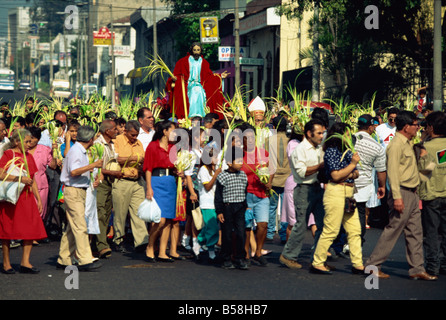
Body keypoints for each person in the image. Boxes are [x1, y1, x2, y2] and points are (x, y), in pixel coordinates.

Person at [365, 111, 437, 280]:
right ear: (406, 127)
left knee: (415, 232)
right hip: (402, 193)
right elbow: (393, 173)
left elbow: (419, 173)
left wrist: (429, 161)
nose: (418, 127)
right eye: (415, 124)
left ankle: (417, 268)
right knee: (393, 231)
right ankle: (373, 265)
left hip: (412, 193)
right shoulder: (396, 145)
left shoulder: (410, 144)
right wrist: (396, 197)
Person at [311, 122, 365, 275]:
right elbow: (336, 176)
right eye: (348, 134)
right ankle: (318, 262)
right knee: (331, 230)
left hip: (348, 192)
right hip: (336, 192)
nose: (350, 137)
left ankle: (358, 263)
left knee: (354, 230)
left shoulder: (347, 151)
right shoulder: (332, 151)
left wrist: (348, 171)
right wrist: (352, 166)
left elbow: (356, 174)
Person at [279, 119, 326, 269]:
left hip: (317, 188)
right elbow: (302, 172)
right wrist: (320, 166)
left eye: (323, 133)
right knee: (300, 225)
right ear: (309, 133)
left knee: (322, 225)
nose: (321, 136)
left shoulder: (319, 148)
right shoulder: (300, 150)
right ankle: (288, 256)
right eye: (319, 133)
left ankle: (318, 259)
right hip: (304, 190)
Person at [0, 129, 47, 274]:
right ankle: (6, 263)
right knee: (7, 229)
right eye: (26, 141)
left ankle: (25, 262)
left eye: (30, 141)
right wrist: (19, 179)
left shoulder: (28, 156)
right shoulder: (9, 154)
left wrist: (38, 199)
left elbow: (32, 179)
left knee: (31, 228)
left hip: (26, 196)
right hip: (11, 197)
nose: (29, 144)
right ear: (16, 142)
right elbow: (1, 174)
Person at [56, 126, 103, 271]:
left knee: (72, 226)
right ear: (89, 139)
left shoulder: (79, 150)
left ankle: (64, 258)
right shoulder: (76, 151)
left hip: (78, 190)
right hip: (74, 191)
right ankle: (85, 259)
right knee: (80, 225)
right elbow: (74, 171)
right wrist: (93, 165)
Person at [144, 120, 182, 262]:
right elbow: (148, 168)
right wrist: (149, 187)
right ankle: (150, 245)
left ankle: (162, 251)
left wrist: (179, 171)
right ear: (165, 131)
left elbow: (175, 165)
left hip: (170, 182)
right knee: (159, 219)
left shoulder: (173, 147)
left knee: (167, 220)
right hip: (156, 181)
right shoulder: (153, 146)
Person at [112, 120, 148, 253]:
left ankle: (142, 241)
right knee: (120, 213)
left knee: (139, 212)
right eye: (132, 135)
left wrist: (136, 160)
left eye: (136, 135)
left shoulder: (138, 143)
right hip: (122, 180)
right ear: (125, 131)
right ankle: (118, 239)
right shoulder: (118, 141)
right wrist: (135, 158)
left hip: (137, 181)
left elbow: (142, 158)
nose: (135, 138)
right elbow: (117, 159)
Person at [417, 111, 446, 276]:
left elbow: (424, 174)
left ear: (431, 127)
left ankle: (433, 266)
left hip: (432, 195)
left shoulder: (426, 148)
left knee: (432, 232)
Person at [168, 42, 228, 119]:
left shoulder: (204, 62)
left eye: (198, 50)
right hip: (188, 84)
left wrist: (220, 76)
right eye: (195, 50)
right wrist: (175, 78)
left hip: (200, 84)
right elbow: (178, 74)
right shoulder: (183, 61)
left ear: (201, 51)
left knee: (200, 91)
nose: (196, 52)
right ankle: (191, 115)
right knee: (194, 91)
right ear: (191, 50)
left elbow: (208, 76)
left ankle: (200, 114)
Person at [353, 114, 387, 245]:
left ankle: (343, 242)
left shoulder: (349, 140)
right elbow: (381, 170)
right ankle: (357, 241)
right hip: (364, 185)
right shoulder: (377, 146)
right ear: (370, 127)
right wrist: (382, 186)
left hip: (346, 182)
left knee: (345, 214)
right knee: (361, 212)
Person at [241, 124, 271, 266]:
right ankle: (246, 253)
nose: (251, 140)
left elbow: (271, 170)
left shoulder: (263, 153)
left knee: (263, 225)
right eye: (247, 138)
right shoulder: (239, 154)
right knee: (247, 226)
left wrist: (269, 183)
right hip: (246, 195)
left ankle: (258, 251)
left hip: (261, 194)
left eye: (253, 137)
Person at [215, 145, 249, 270]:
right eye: (238, 161)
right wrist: (219, 211)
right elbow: (218, 196)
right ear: (229, 162)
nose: (241, 163)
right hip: (227, 208)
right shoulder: (222, 176)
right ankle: (226, 258)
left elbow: (244, 192)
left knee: (241, 233)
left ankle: (239, 258)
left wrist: (245, 206)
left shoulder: (243, 175)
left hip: (240, 207)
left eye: (242, 160)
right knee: (227, 234)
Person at [93, 119, 123, 259]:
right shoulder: (98, 144)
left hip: (110, 182)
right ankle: (101, 245)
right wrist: (113, 172)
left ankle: (99, 242)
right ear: (107, 131)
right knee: (100, 212)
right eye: (114, 129)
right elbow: (97, 166)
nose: (117, 131)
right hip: (101, 182)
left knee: (105, 214)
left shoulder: (111, 145)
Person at [26, 126, 58, 222]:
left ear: (38, 139)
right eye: (29, 138)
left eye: (33, 138)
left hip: (40, 187)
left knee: (39, 213)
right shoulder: (22, 149)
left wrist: (55, 152)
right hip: (25, 187)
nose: (30, 141)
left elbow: (53, 166)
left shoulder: (45, 150)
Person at [267, 116, 290, 242]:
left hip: (273, 178)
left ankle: (269, 232)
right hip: (287, 177)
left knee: (271, 207)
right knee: (285, 209)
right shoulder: (290, 141)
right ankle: (283, 234)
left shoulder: (268, 141)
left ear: (274, 127)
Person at [197, 146, 221, 262]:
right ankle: (211, 250)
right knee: (212, 228)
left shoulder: (213, 169)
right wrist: (216, 175)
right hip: (207, 203)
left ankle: (199, 241)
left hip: (214, 203)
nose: (217, 159)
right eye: (215, 157)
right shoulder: (203, 170)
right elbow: (207, 187)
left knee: (208, 226)